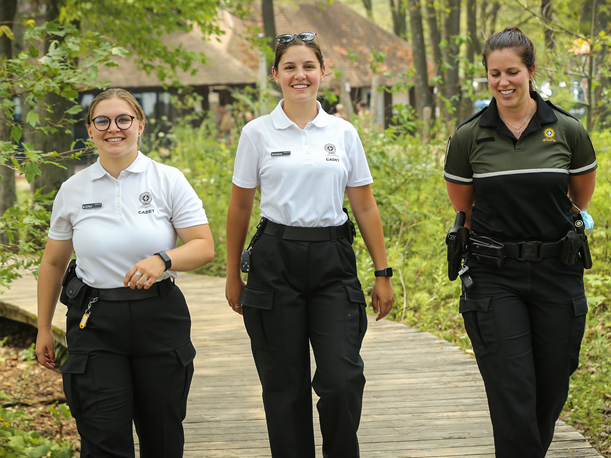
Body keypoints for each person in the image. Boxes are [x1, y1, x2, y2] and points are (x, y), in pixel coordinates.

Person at [225, 31, 394, 458]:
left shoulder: (343, 132)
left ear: (323, 73)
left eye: (308, 67)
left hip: (332, 261)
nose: (300, 75)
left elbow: (365, 206)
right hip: (274, 261)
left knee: (341, 378)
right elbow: (240, 208)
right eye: (290, 67)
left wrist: (382, 272)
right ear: (275, 75)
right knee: (283, 385)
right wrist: (232, 274)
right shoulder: (256, 133)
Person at [35, 88, 214, 458]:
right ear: (89, 129)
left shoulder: (168, 180)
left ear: (140, 125)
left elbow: (202, 246)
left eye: (123, 119)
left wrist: (162, 260)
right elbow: (53, 262)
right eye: (102, 120)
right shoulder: (73, 189)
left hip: (159, 317)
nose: (112, 128)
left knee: (162, 435)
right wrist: (42, 328)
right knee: (102, 437)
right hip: (95, 322)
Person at [444, 27, 597, 458]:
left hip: (557, 273)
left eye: (512, 72)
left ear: (530, 71)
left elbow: (579, 198)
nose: (503, 82)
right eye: (494, 74)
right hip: (494, 278)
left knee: (552, 383)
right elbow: (466, 208)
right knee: (512, 387)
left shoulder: (567, 129)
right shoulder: (469, 137)